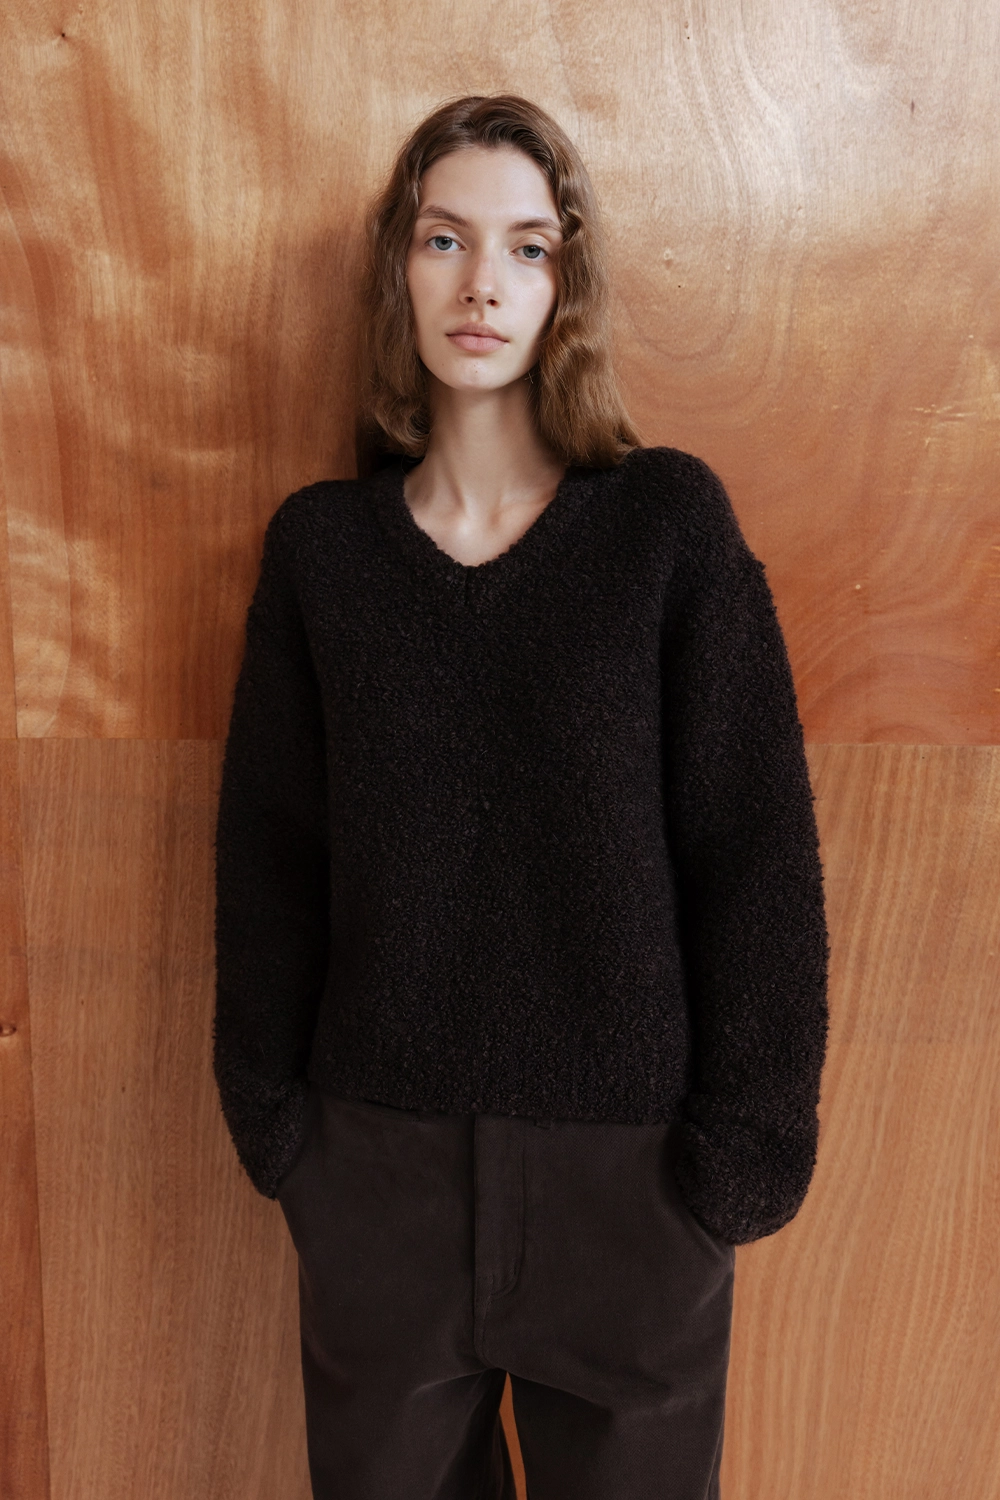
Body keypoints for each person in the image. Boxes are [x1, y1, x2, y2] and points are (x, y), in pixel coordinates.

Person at [212, 94, 830, 1500]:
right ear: (399, 268)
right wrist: (280, 1125)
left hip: (635, 1187)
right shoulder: (324, 554)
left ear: (567, 285)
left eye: (528, 247)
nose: (483, 283)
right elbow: (272, 857)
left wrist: (743, 1154)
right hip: (378, 1178)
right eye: (446, 239)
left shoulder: (666, 529)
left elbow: (753, 850)